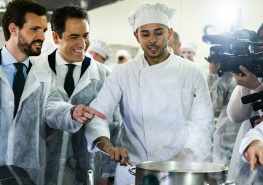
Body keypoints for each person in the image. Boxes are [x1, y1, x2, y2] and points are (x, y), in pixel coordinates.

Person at [0, 1, 106, 185]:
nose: (41, 37)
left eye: (44, 31)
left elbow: (53, 106)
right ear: (14, 29)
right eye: (35, 29)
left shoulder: (43, 75)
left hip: (23, 177)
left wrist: (71, 112)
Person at [84, 2, 215, 185]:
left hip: (177, 170)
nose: (152, 40)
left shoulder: (191, 71)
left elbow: (203, 123)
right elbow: (97, 115)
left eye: (159, 33)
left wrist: (186, 154)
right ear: (136, 36)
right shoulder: (124, 72)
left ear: (169, 33)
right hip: (132, 171)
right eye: (145, 34)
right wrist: (108, 146)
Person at [32, 6, 121, 185]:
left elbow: (114, 125)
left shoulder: (104, 75)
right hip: (39, 171)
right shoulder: (35, 70)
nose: (82, 44)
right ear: (56, 37)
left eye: (86, 35)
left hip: (85, 171)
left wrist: (108, 174)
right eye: (74, 37)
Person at [226, 23, 263, 184]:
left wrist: (257, 87)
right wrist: (245, 83)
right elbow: (235, 115)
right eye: (261, 39)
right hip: (248, 158)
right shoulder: (255, 72)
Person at [207, 60, 239, 165]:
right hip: (226, 144)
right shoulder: (230, 74)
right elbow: (210, 107)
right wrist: (212, 73)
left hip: (256, 142)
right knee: (221, 180)